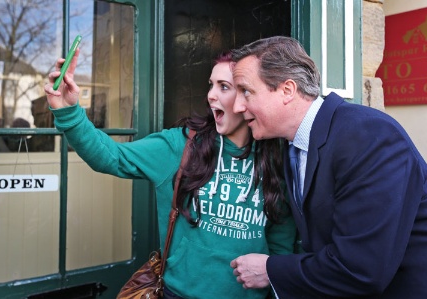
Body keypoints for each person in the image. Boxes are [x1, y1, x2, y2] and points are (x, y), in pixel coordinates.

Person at [44, 48, 297, 299]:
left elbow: (280, 240)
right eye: (211, 85)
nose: (210, 95)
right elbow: (111, 157)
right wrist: (69, 112)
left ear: (247, 96)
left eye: (224, 86)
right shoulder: (181, 146)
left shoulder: (275, 155)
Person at [229, 36, 427, 298]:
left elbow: (361, 268)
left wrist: (270, 269)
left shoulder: (369, 135)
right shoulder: (291, 143)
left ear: (287, 90)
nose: (237, 106)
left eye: (246, 91)